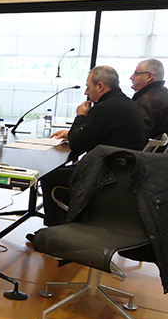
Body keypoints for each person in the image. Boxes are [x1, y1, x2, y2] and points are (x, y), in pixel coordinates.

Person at [40, 66, 145, 226]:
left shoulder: (104, 108)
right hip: (125, 171)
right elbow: (95, 134)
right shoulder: (125, 102)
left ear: (100, 86)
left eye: (88, 87)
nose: (85, 92)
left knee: (49, 177)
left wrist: (80, 116)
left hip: (109, 176)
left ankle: (53, 229)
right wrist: (73, 133)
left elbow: (77, 144)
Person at [130, 59, 168, 141]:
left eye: (136, 74)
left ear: (149, 77)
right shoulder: (163, 94)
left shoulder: (147, 101)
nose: (131, 77)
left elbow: (136, 136)